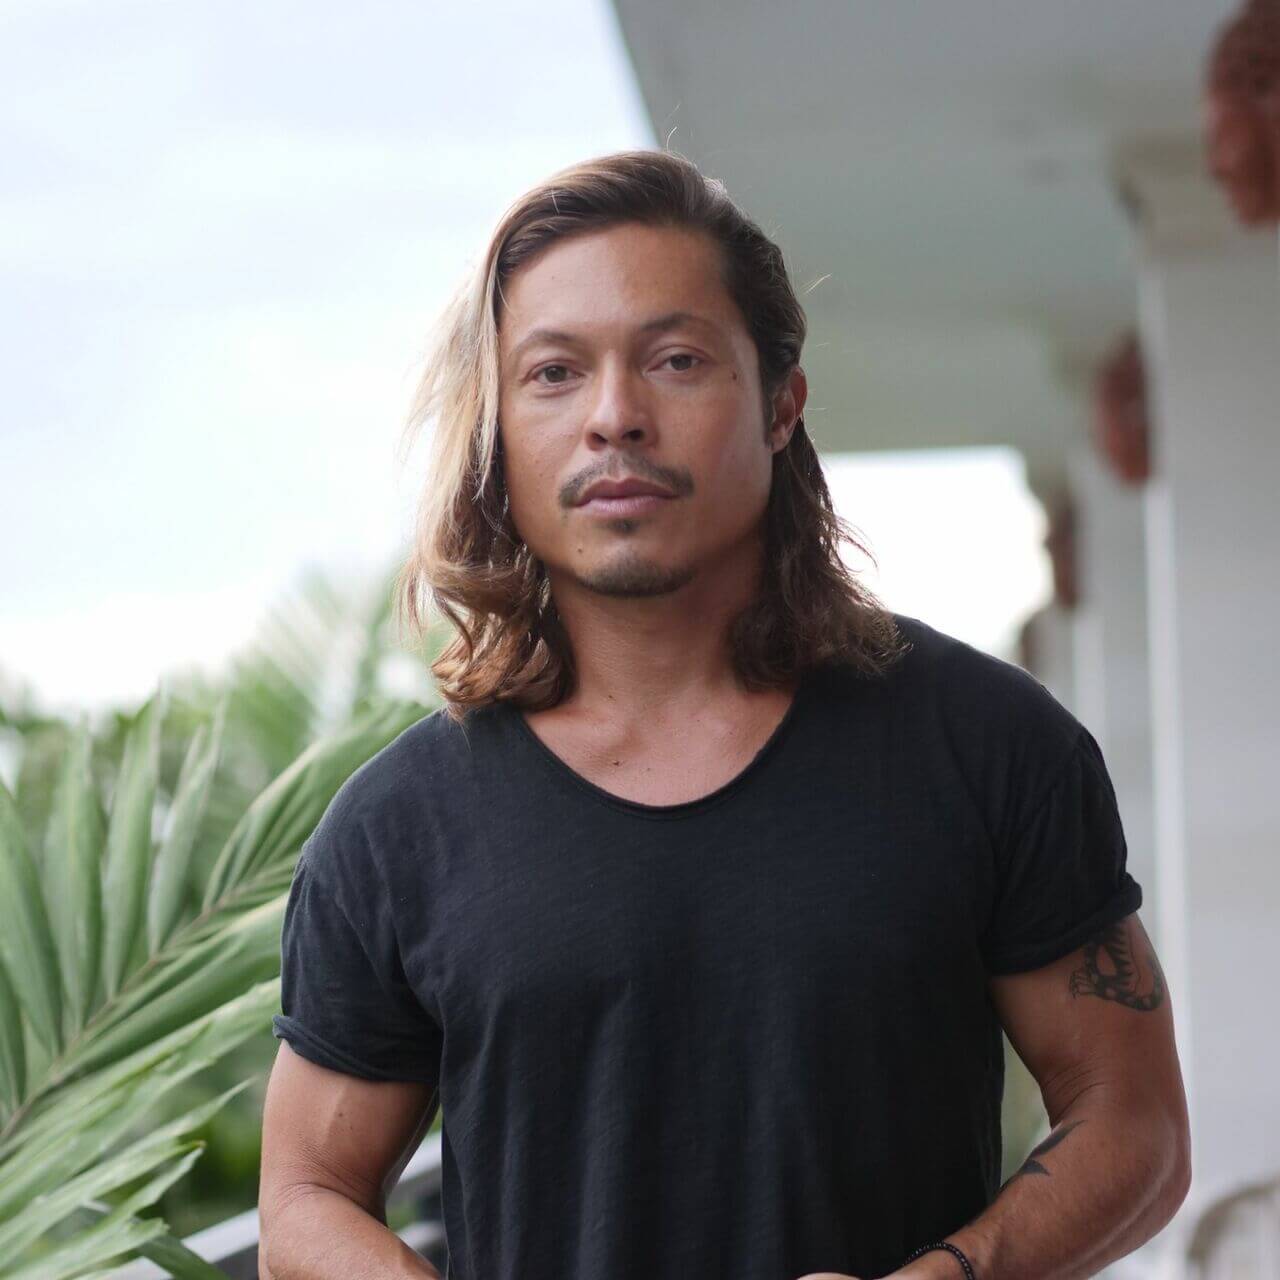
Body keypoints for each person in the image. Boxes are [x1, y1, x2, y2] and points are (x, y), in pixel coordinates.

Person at [258, 148, 1190, 1280]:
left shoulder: (985, 744)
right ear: (497, 431)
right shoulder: (398, 827)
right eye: (552, 373)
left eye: (676, 359)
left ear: (780, 405)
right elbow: (303, 1197)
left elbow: (1133, 1121)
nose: (615, 416)